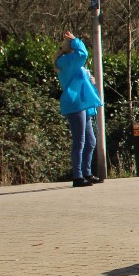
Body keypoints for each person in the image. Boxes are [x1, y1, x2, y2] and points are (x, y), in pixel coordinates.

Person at [56, 31, 104, 187]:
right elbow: (83, 54)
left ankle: (87, 172)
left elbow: (79, 78)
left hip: (83, 104)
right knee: (79, 141)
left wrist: (90, 80)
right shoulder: (66, 61)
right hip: (75, 103)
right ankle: (77, 176)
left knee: (90, 141)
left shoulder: (73, 63)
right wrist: (75, 40)